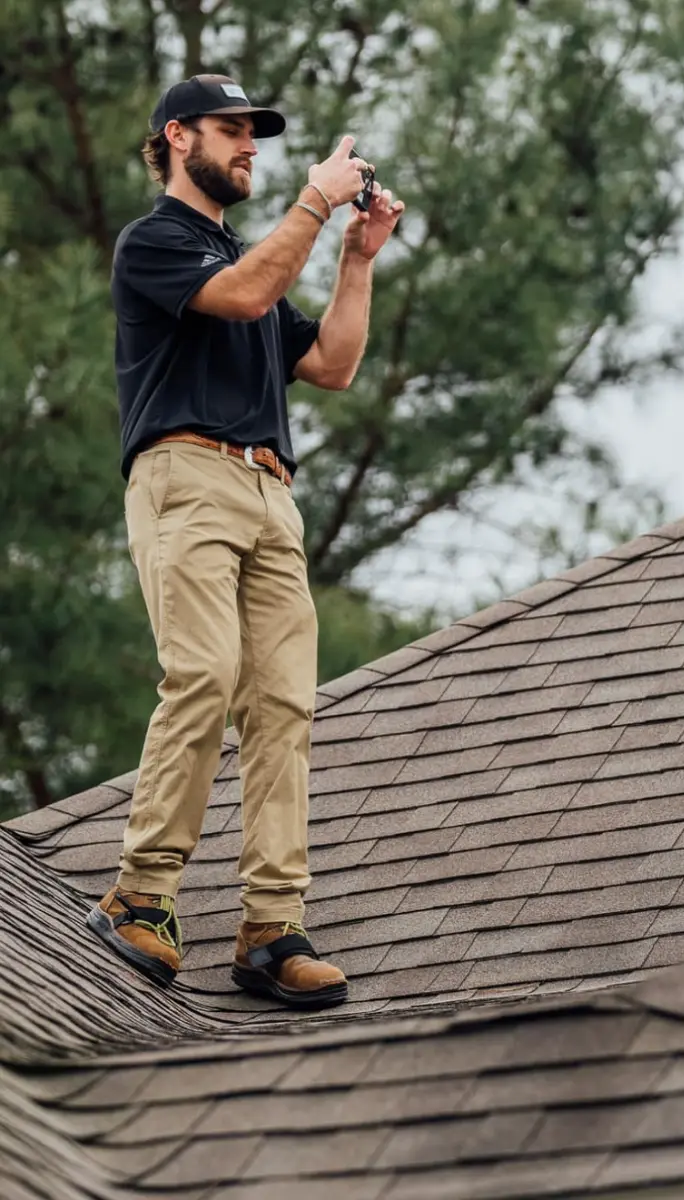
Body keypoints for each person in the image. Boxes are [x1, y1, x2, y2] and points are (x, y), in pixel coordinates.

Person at [87, 74, 404, 1010]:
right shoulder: (156, 244)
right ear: (177, 138)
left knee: (282, 704)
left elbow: (332, 365)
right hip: (185, 476)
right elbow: (241, 294)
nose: (250, 148)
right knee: (204, 675)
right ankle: (139, 896)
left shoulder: (254, 258)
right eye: (233, 131)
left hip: (270, 490)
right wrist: (315, 200)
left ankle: (271, 928)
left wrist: (357, 256)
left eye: (255, 136)